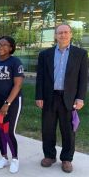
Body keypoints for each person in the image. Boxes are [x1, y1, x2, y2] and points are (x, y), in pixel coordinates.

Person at [35, 24, 87, 173]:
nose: (63, 35)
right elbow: (40, 77)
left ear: (71, 34)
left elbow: (83, 79)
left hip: (69, 98)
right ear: (56, 36)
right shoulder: (45, 54)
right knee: (48, 128)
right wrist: (39, 95)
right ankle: (49, 156)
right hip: (49, 97)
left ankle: (66, 159)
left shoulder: (81, 54)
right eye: (60, 33)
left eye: (65, 32)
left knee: (68, 130)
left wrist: (80, 98)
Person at [0, 36, 24, 174]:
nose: (1, 47)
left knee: (8, 131)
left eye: (4, 45)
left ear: (11, 47)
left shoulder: (15, 62)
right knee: (0, 130)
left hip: (12, 102)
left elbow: (18, 85)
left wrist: (7, 104)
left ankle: (15, 159)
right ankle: (4, 157)